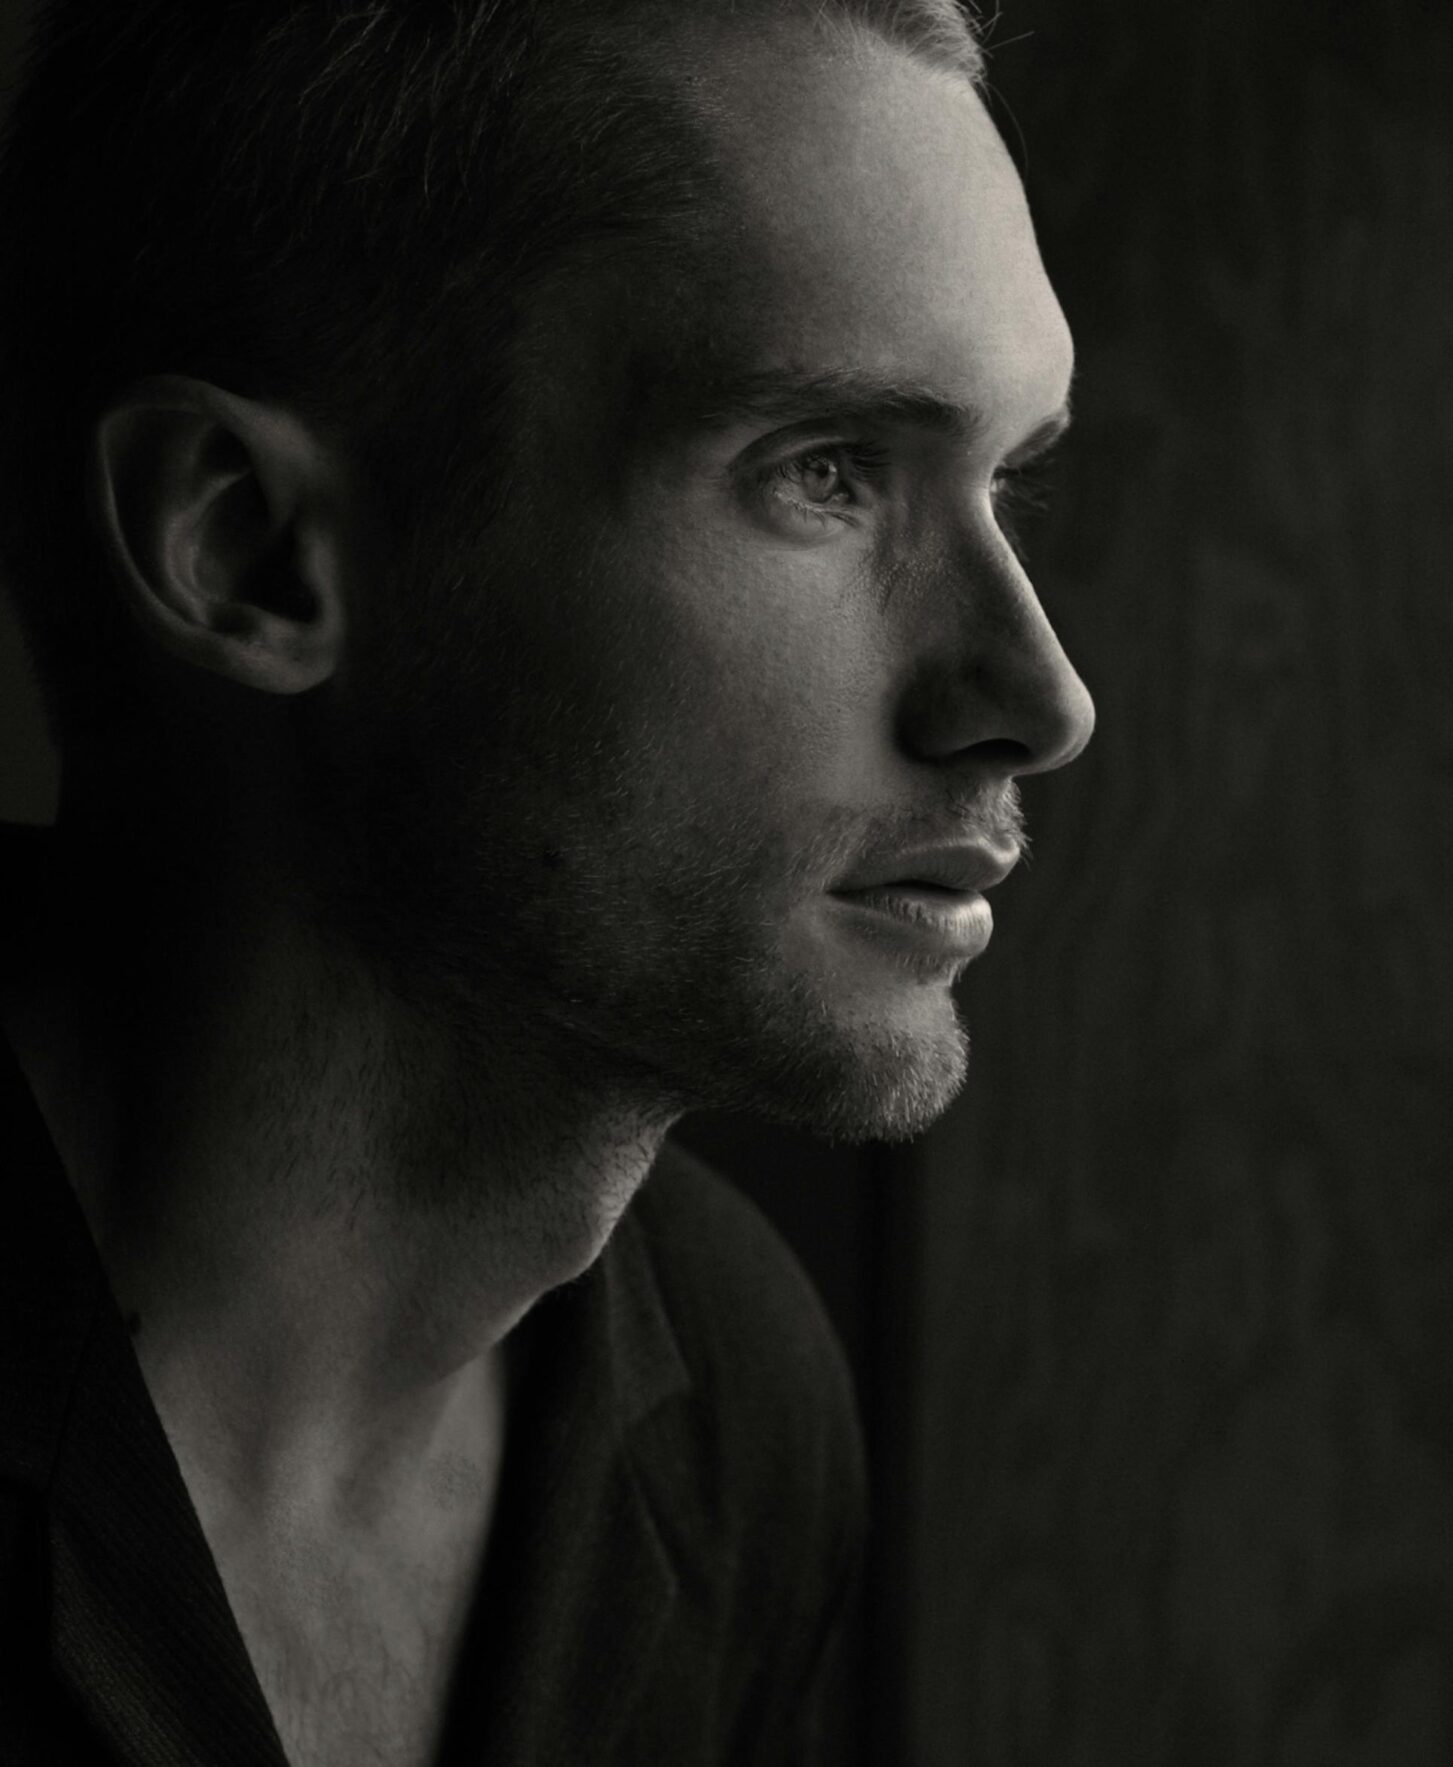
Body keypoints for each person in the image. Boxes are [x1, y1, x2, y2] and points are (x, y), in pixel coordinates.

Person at [0, 0, 1093, 1758]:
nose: (1038, 700)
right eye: (824, 475)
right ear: (249, 549)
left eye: (1008, 488)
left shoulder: (731, 1410)